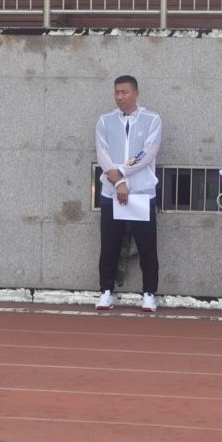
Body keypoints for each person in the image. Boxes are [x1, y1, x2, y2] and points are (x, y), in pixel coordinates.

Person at [94, 75, 163, 313]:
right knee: (109, 245)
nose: (120, 97)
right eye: (117, 92)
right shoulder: (104, 121)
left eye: (124, 92)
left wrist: (122, 172)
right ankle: (106, 291)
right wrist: (118, 181)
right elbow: (102, 154)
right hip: (111, 192)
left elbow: (148, 153)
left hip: (142, 192)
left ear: (136, 93)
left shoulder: (152, 119)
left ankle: (149, 293)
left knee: (147, 247)